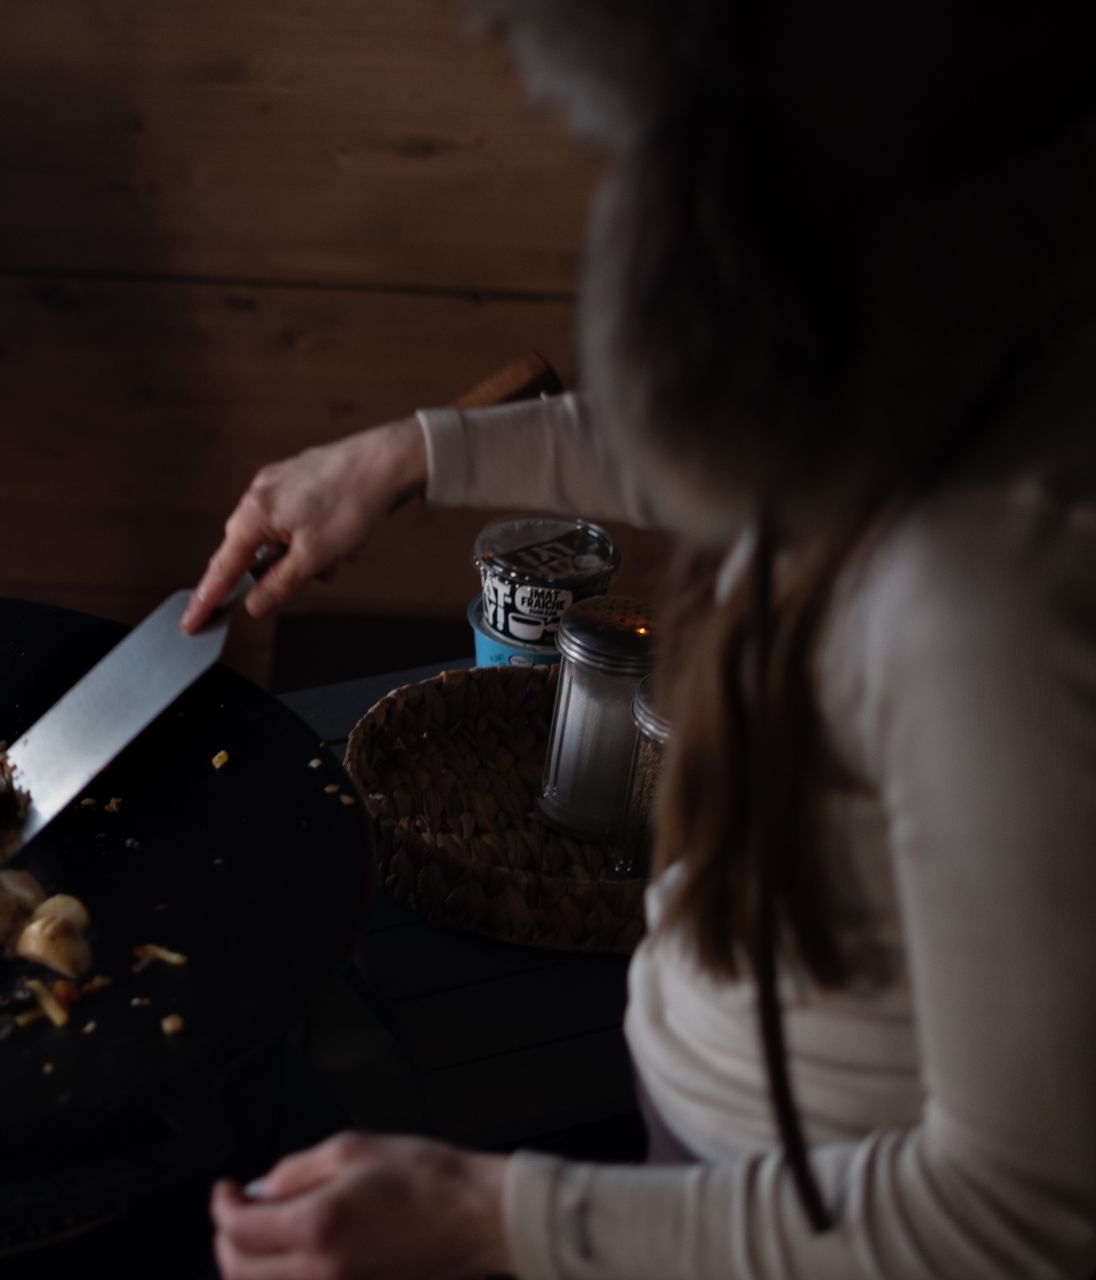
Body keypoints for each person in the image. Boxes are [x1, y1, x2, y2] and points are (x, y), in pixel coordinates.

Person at [188, 1, 1096, 1276]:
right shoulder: (950, 344)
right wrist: (409, 455)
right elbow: (767, 431)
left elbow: (1022, 1216)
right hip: (718, 1156)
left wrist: (493, 1214)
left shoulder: (985, 590)